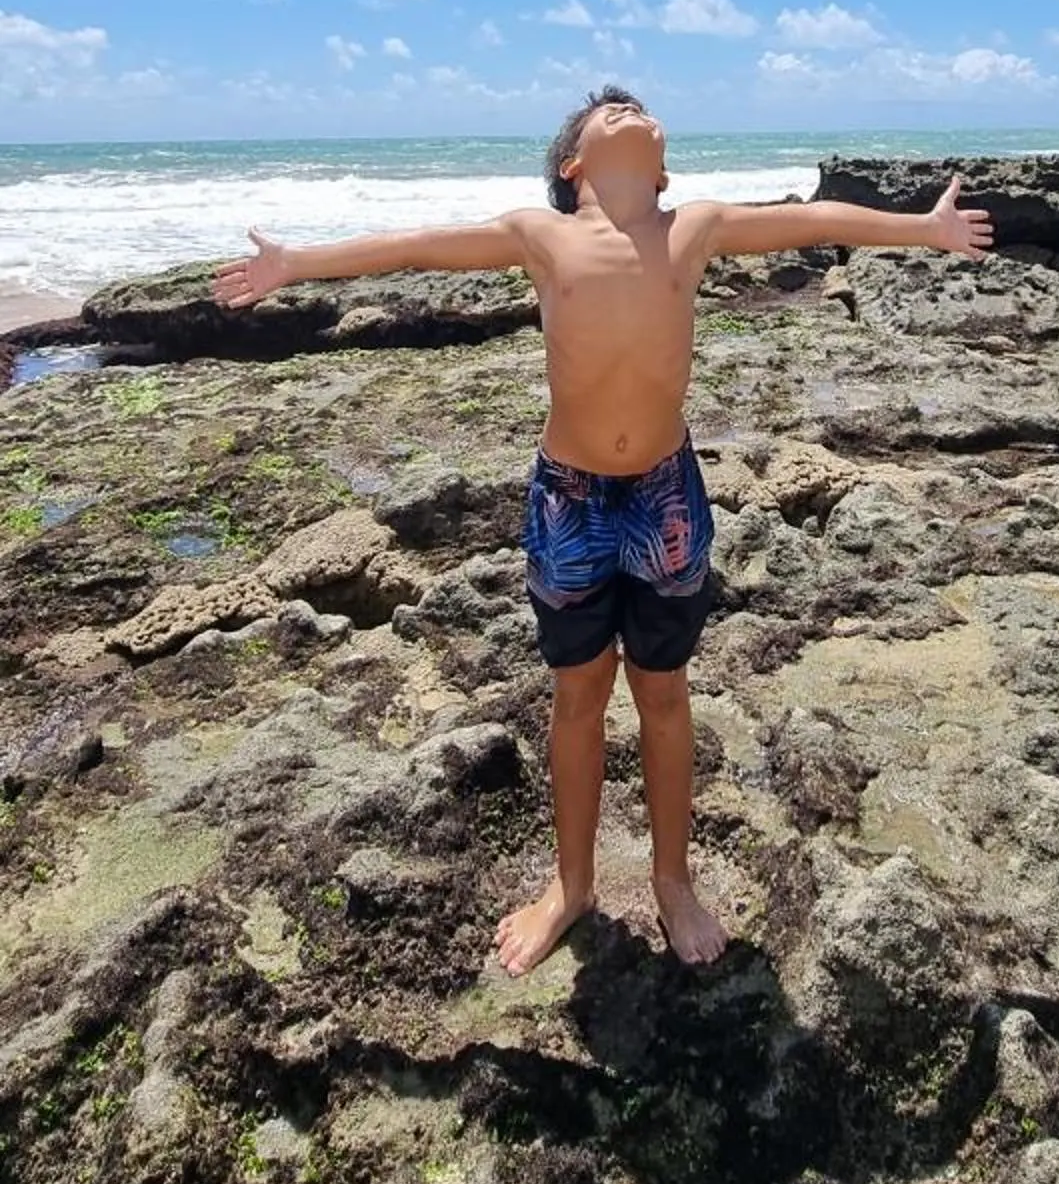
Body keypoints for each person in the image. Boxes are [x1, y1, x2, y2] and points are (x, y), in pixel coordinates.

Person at [212, 89, 994, 976]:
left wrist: (922, 230)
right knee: (578, 695)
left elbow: (810, 219)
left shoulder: (691, 228)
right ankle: (572, 886)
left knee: (663, 692)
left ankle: (671, 879)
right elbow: (413, 247)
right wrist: (294, 265)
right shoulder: (540, 237)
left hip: (664, 497)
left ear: (661, 169)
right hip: (569, 501)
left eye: (638, 109)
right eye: (607, 110)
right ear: (570, 166)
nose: (626, 106)